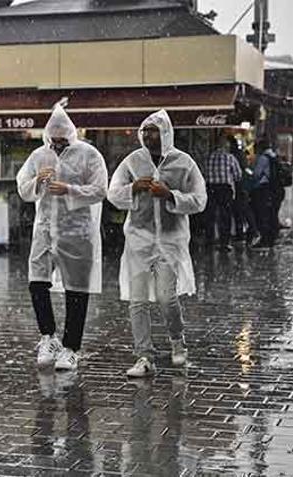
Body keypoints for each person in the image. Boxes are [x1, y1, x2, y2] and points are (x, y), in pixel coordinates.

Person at [107, 110, 207, 378]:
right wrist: (133, 189)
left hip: (171, 241)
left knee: (166, 297)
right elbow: (112, 193)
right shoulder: (132, 162)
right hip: (139, 240)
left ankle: (177, 340)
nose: (148, 135)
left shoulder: (184, 163)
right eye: (145, 130)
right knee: (137, 300)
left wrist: (170, 195)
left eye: (153, 130)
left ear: (165, 133)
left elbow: (200, 199)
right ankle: (144, 356)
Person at [16, 104, 108, 372]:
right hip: (44, 228)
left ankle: (71, 348)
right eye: (53, 141)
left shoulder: (89, 155)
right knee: (37, 282)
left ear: (70, 137)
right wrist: (36, 182)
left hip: (77, 231)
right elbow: (23, 187)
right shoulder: (38, 155)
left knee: (76, 290)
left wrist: (69, 189)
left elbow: (100, 190)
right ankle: (49, 336)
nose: (57, 146)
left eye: (61, 141)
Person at [203, 134, 242, 251]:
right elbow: (238, 175)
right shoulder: (230, 158)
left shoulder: (209, 157)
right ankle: (224, 243)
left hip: (211, 188)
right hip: (225, 189)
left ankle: (209, 240)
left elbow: (204, 173)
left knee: (211, 215)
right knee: (225, 216)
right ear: (226, 145)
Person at [251, 138, 278, 249]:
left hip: (262, 189)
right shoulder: (273, 156)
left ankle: (265, 240)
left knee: (261, 214)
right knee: (270, 213)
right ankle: (271, 238)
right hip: (272, 189)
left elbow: (256, 174)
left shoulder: (263, 158)